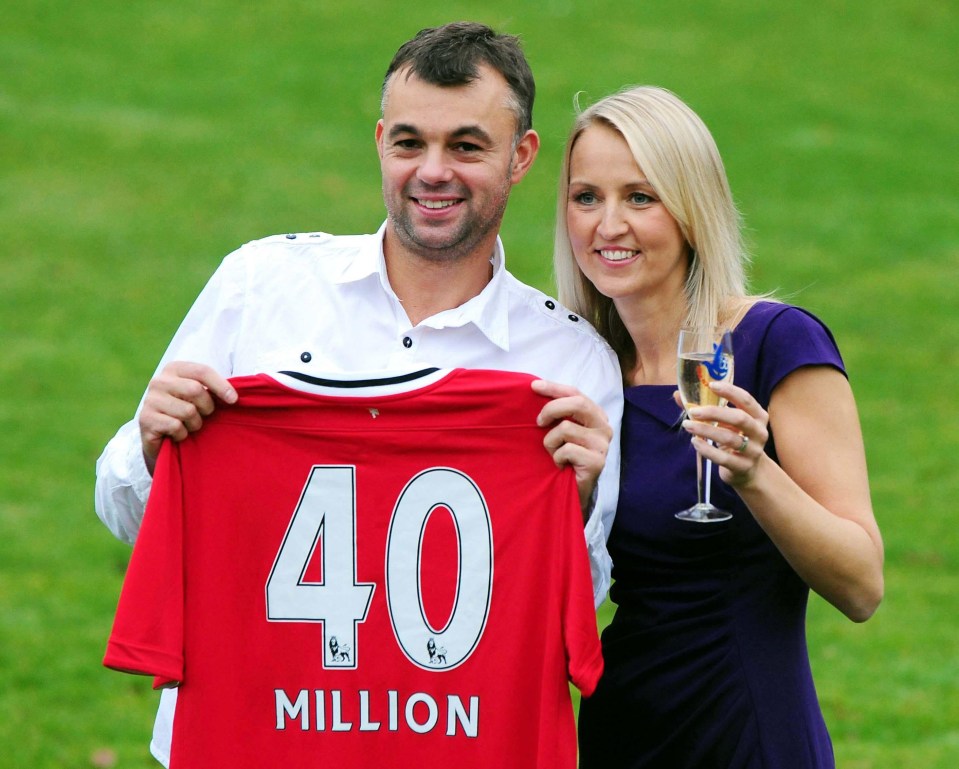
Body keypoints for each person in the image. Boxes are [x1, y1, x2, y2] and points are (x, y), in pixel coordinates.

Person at [95, 22, 622, 768]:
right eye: (410, 143)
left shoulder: (568, 364)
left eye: (466, 147)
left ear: (520, 156)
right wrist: (151, 447)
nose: (432, 170)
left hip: (446, 746)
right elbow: (121, 511)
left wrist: (572, 498)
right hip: (252, 734)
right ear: (380, 141)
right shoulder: (261, 285)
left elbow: (576, 612)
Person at [552, 85, 884, 768]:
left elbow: (860, 584)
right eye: (586, 197)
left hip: (747, 732)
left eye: (639, 197)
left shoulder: (773, 342)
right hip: (619, 730)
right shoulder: (585, 371)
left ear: (689, 209)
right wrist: (578, 499)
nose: (606, 224)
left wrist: (754, 473)